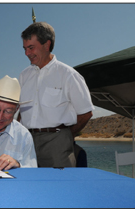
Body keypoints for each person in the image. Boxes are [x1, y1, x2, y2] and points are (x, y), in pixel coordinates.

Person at [18, 22, 94, 167]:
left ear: (47, 45)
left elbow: (86, 113)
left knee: (60, 186)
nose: (27, 53)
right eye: (25, 48)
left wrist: (66, 135)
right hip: (26, 143)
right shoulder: (24, 75)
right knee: (28, 186)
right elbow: (21, 112)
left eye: (31, 48)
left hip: (57, 144)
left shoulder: (68, 75)